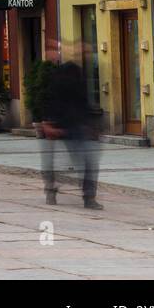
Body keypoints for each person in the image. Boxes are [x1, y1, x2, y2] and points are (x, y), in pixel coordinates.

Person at [41, 61, 103, 210]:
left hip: (70, 126)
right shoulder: (68, 85)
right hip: (68, 126)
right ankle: (87, 197)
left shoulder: (60, 85)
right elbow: (84, 105)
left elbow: (83, 106)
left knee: (55, 161)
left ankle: (52, 189)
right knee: (87, 161)